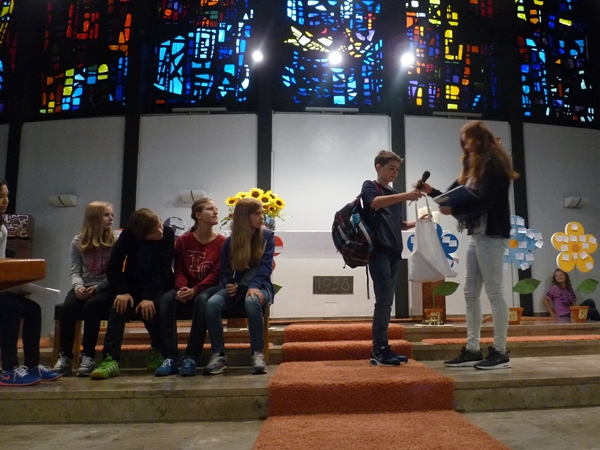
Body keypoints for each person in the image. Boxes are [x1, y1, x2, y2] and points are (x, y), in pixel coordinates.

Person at [420, 121, 519, 370]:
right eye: (463, 141)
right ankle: (473, 349)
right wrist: (431, 191)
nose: (465, 145)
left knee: (494, 292)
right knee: (470, 292)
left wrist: (454, 209)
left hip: (492, 234)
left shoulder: (494, 164)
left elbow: (486, 201)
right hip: (477, 234)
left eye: (469, 139)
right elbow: (451, 196)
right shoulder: (472, 167)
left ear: (480, 138)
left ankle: (500, 351)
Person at [90, 208, 175, 380]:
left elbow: (163, 269)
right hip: (132, 284)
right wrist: (122, 291)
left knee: (151, 310)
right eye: (154, 231)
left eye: (160, 226)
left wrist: (148, 297)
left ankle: (158, 349)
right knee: (118, 307)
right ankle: (110, 359)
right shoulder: (129, 234)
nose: (160, 232)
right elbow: (114, 265)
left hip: (158, 285)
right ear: (141, 235)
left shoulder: (167, 233)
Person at [361, 150, 423, 366]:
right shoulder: (370, 186)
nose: (395, 173)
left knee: (387, 301)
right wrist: (405, 196)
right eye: (391, 169)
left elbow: (398, 224)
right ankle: (379, 349)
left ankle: (382, 348)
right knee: (384, 300)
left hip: (395, 251)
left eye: (397, 169)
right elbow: (374, 203)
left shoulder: (394, 193)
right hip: (378, 251)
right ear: (378, 167)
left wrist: (418, 223)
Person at [154, 198, 226, 377]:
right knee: (166, 299)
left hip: (208, 288)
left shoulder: (222, 242)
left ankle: (191, 357)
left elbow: (216, 274)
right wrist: (182, 288)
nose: (216, 212)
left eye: (216, 209)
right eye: (210, 209)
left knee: (202, 300)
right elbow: (178, 269)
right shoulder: (184, 240)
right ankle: (170, 357)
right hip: (186, 287)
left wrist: (196, 290)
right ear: (198, 215)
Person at [203, 198, 274, 375]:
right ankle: (219, 355)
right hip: (237, 287)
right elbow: (224, 271)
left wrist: (254, 285)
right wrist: (228, 284)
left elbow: (266, 267)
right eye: (257, 213)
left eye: (262, 213)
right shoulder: (230, 242)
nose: (262, 217)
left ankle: (257, 353)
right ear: (244, 216)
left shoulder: (267, 237)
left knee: (252, 301)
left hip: (260, 285)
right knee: (212, 304)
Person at [0, 180, 61, 386]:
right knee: (13, 307)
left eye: (7, 196)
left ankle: (32, 365)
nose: (6, 201)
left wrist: (16, 284)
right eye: (1, 196)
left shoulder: (2, 227)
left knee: (33, 309)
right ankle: (8, 369)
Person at [51, 202, 119, 376]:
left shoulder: (115, 240)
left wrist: (97, 288)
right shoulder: (78, 241)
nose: (111, 218)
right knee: (68, 307)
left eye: (112, 215)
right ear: (94, 217)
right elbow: (75, 271)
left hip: (107, 285)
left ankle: (88, 355)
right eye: (106, 215)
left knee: (92, 305)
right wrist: (78, 287)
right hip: (85, 284)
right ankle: (65, 357)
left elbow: (116, 273)